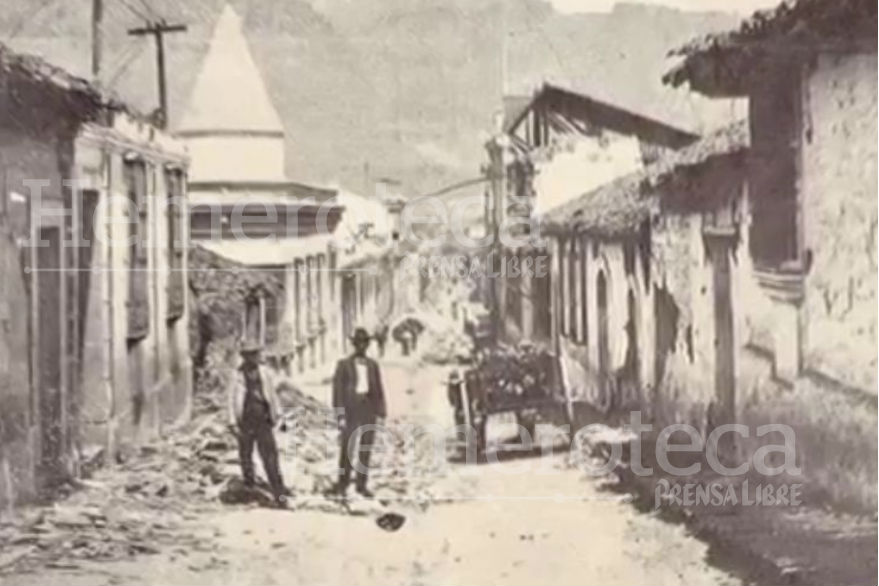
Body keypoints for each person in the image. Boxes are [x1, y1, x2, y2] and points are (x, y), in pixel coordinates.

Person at [228, 341, 288, 508]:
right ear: (244, 357)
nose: (254, 357)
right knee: (246, 457)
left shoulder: (264, 373)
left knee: (270, 457)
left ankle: (280, 495)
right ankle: (250, 491)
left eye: (255, 353)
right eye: (250, 354)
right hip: (245, 421)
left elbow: (272, 396)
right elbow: (231, 399)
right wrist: (232, 422)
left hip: (263, 420)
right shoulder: (237, 374)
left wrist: (280, 415)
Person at [329, 327, 387, 498]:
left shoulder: (373, 365)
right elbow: (337, 392)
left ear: (368, 345)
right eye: (359, 343)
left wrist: (381, 413)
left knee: (365, 448)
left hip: (368, 407)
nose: (362, 346)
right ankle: (342, 484)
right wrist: (340, 416)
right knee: (348, 447)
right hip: (350, 410)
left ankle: (362, 485)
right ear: (354, 344)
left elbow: (379, 390)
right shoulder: (343, 365)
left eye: (365, 343)